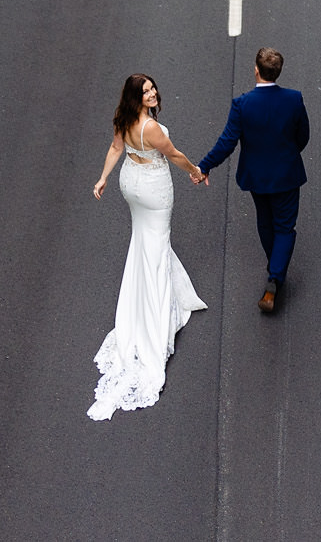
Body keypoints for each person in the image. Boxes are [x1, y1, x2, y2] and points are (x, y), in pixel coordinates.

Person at [87, 73, 208, 420]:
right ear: (136, 98)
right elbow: (174, 155)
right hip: (153, 189)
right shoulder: (149, 128)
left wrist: (104, 177)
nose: (153, 93)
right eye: (147, 92)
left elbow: (115, 148)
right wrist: (196, 171)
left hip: (130, 183)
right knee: (155, 245)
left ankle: (141, 303)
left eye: (153, 88)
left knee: (143, 242)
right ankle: (154, 319)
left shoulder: (122, 118)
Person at [196, 47, 309, 315]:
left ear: (256, 71)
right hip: (287, 174)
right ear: (278, 72)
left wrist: (204, 166)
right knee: (285, 226)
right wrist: (289, 155)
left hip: (256, 176)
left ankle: (275, 266)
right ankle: (275, 276)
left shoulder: (242, 104)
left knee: (265, 221)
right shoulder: (294, 100)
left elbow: (227, 142)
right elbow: (303, 135)